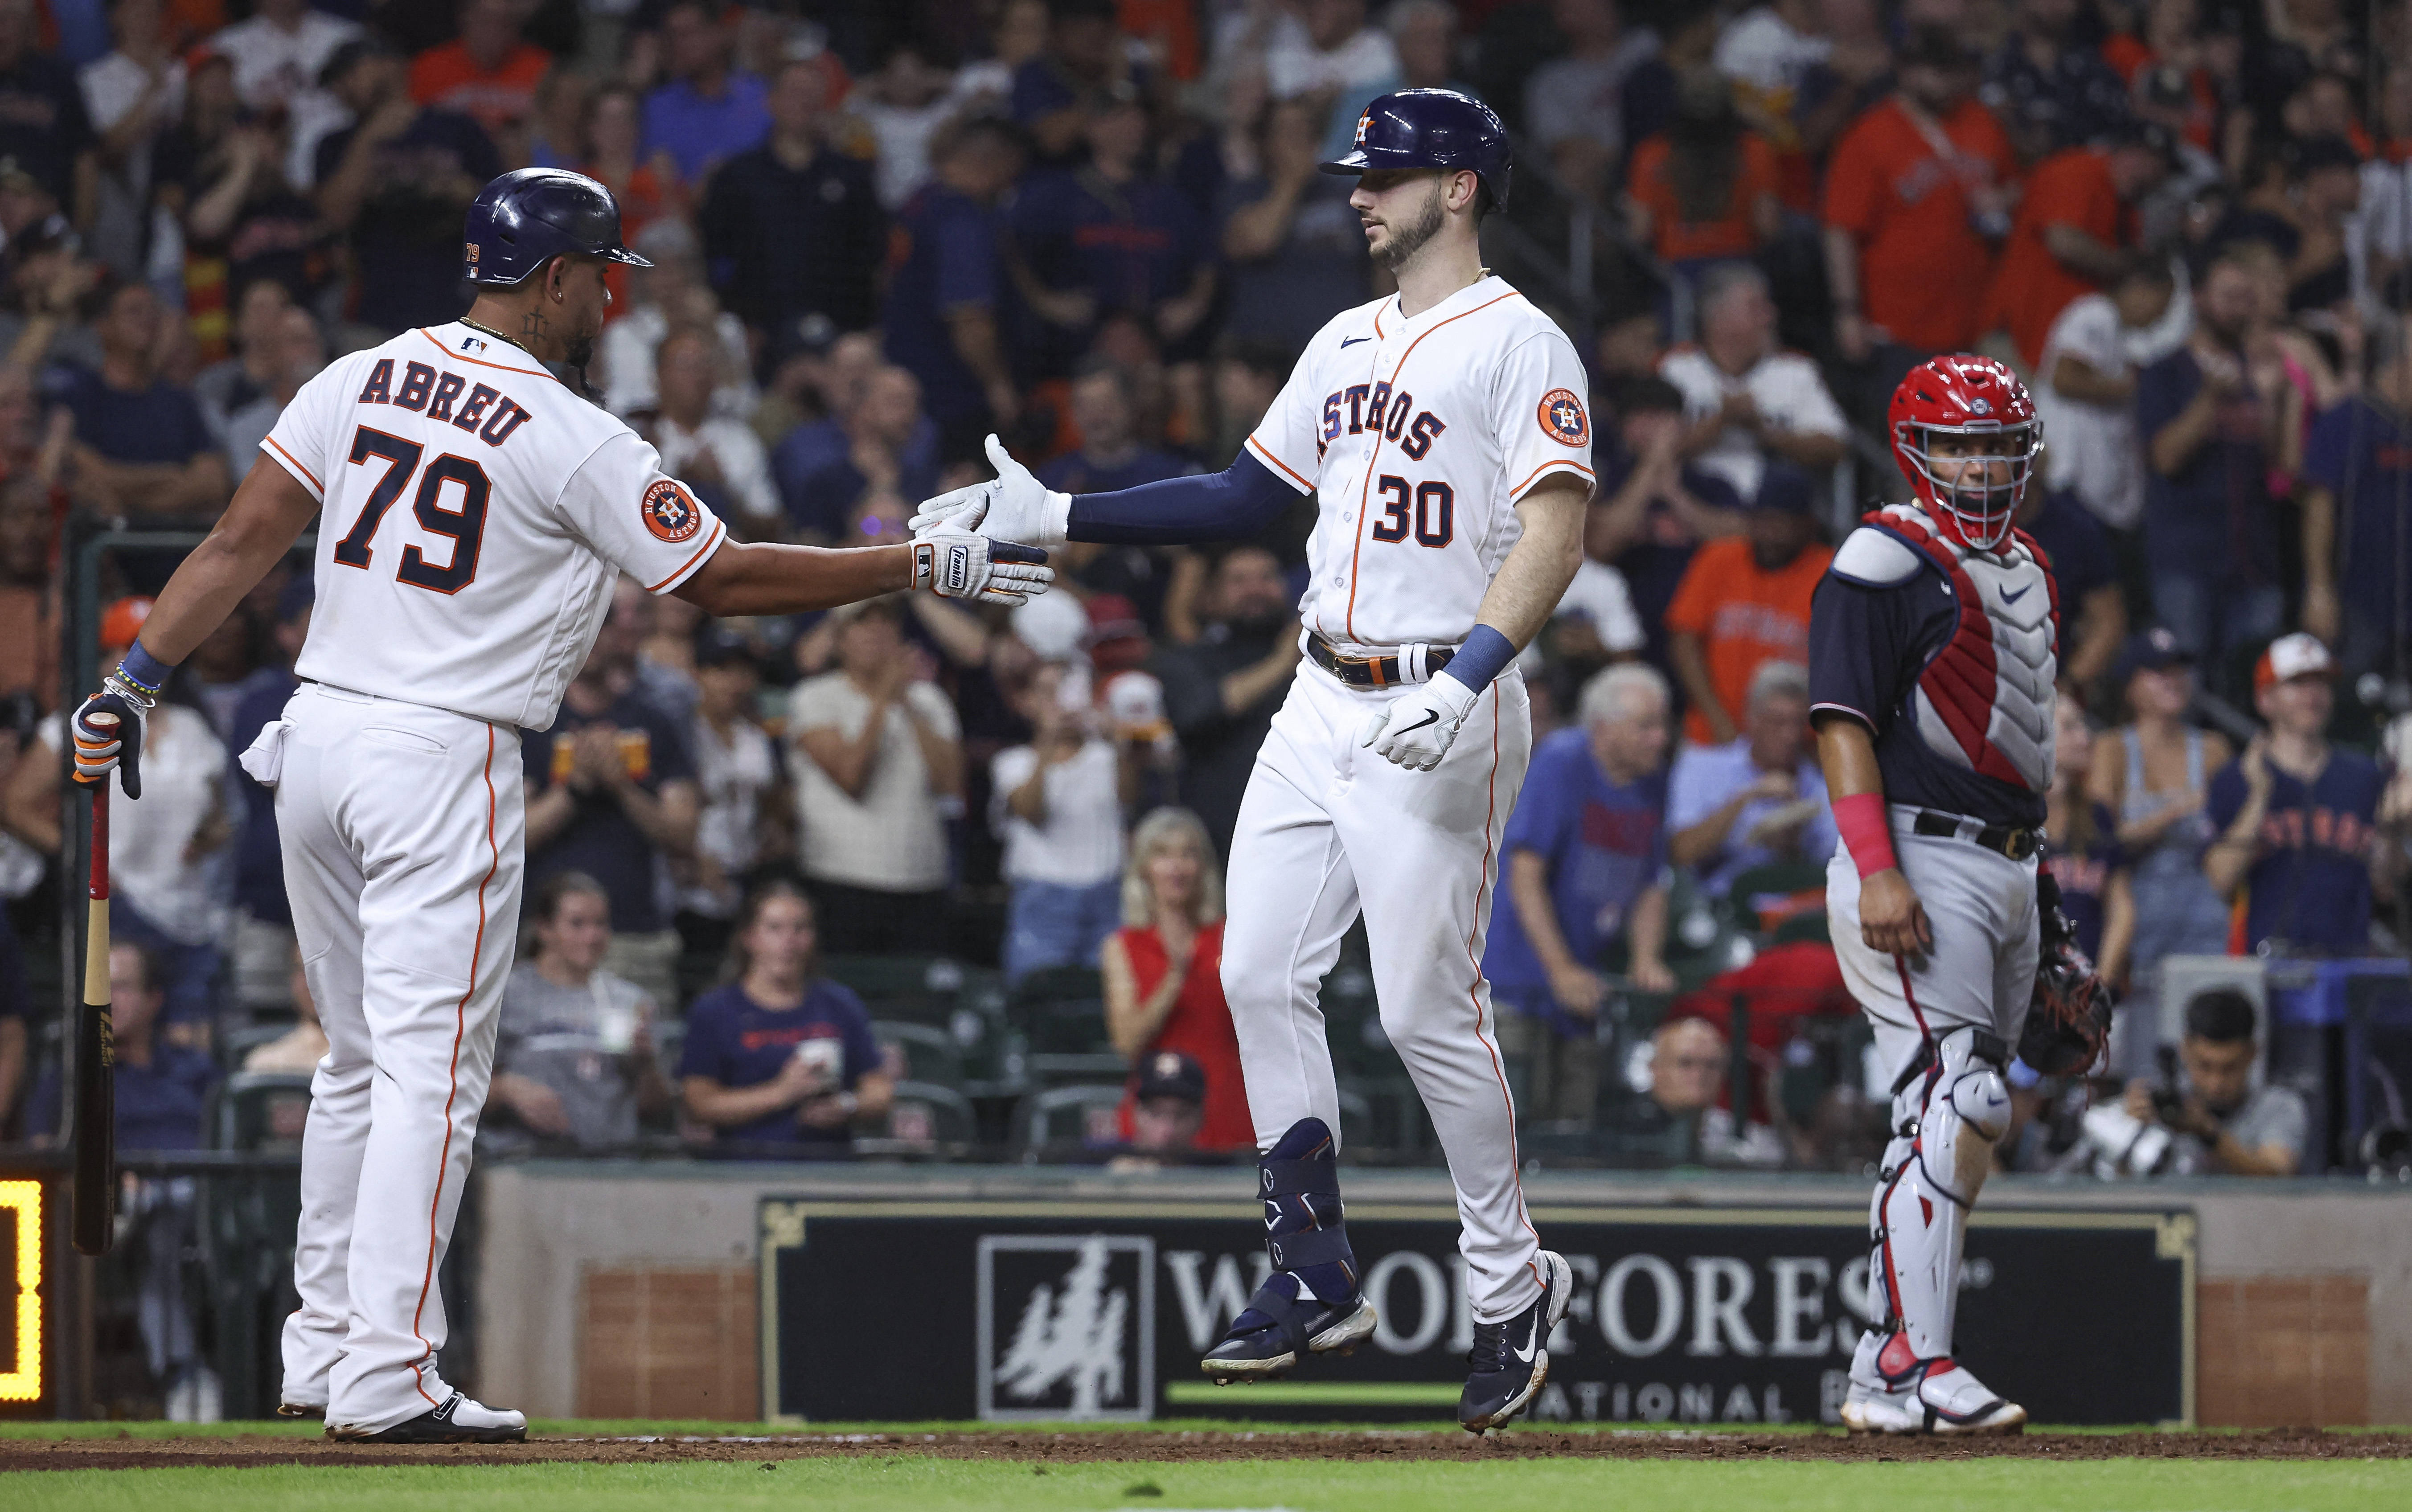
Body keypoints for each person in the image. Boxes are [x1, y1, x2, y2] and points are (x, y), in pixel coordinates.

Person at [62, 168, 1048, 1446]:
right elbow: (726, 580)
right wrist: (919, 560)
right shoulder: (569, 431)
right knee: (432, 1075)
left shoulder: (362, 373)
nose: (609, 303)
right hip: (438, 754)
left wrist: (132, 680)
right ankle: (390, 1373)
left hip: (314, 743)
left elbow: (244, 539)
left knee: (357, 1064)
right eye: (602, 280)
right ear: (556, 279)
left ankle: (322, 1352)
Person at [911, 88, 1592, 1432]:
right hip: (1317, 690)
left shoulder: (1524, 343)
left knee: (1419, 1014)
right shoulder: (1342, 339)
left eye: (1383, 176)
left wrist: (1469, 679)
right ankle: (1314, 1269)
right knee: (1249, 969)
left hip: (1434, 701)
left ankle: (1511, 1285)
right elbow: (1240, 495)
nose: (1356, 194)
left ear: (1458, 188)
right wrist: (1056, 510)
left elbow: (1554, 533)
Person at [1810, 355, 2054, 1434]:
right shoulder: (1883, 552)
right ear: (1917, 448)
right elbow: (1841, 720)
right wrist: (1874, 866)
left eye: (1997, 443)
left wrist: (2059, 912)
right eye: (1960, 443)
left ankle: (1881, 1371)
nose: (1979, 463)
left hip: (2009, 857)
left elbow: (2024, 745)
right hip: (1916, 850)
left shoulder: (2032, 560)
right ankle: (1926, 1354)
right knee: (1964, 1100)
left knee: (1942, 1123)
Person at [23, 942, 220, 1418]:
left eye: (124, 986)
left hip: (209, 1203)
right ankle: (185, 1375)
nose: (111, 999)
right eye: (102, 987)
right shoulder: (73, 1076)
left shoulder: (195, 1071)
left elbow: (229, 1141)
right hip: (121, 1213)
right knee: (160, 1222)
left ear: (154, 999)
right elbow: (42, 1154)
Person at [1485, 664, 1677, 1128]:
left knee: (1576, 1130)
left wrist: (1647, 957)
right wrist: (1561, 970)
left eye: (1663, 725)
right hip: (1520, 982)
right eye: (1646, 727)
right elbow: (1525, 873)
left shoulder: (1652, 781)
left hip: (1586, 987)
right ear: (1603, 729)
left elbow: (1653, 881)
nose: (1661, 739)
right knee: (1513, 1128)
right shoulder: (1561, 763)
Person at [1822, 30, 2018, 415]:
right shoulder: (1870, 134)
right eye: (1933, 70)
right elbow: (1840, 229)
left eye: (1950, 71)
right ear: (1907, 72)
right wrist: (1847, 310)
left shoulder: (1981, 122)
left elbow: (2015, 187)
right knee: (1915, 446)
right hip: (1898, 324)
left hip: (1975, 318)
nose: (1942, 81)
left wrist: (2002, 200)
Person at [2136, 251, 2285, 692]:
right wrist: (2210, 400)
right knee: (2186, 689)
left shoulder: (2259, 371)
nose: (2239, 308)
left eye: (2246, 298)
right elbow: (2165, 458)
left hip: (2255, 561)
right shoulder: (2165, 372)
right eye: (2228, 297)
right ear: (2199, 299)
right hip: (2187, 560)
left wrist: (2276, 400)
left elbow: (2280, 471)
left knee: (2252, 693)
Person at [2205, 634, 2403, 956]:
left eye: (2322, 683)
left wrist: (2390, 826)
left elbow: (2386, 885)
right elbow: (2220, 881)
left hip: (2347, 961)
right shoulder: (2236, 777)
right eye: (2297, 683)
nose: (2313, 694)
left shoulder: (2364, 775)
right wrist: (2259, 796)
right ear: (2265, 699)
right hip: (2262, 962)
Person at [787, 597, 964, 952]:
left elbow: (951, 786)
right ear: (838, 639)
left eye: (886, 621)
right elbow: (852, 777)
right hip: (840, 880)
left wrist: (908, 703)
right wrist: (885, 695)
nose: (876, 631)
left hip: (922, 881)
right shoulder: (814, 698)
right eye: (862, 621)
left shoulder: (929, 701)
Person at [2088, 628, 2232, 1049]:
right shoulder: (2111, 748)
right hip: (2138, 922)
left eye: (2179, 670)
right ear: (2131, 684)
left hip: (2204, 918)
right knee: (2143, 1045)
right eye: (2157, 672)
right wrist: (2177, 810)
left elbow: (2231, 842)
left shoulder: (2213, 748)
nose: (2173, 680)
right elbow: (2102, 839)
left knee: (2208, 1028)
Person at [678, 882, 893, 1158]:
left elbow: (880, 1091)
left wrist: (847, 1105)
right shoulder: (714, 1011)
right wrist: (782, 1092)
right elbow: (699, 1105)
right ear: (749, 937)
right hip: (741, 1168)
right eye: (775, 929)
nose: (789, 942)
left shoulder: (841, 1005)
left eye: (800, 929)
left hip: (827, 1166)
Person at [697, 56, 883, 344]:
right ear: (771, 101)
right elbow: (714, 256)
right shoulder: (737, 176)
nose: (802, 102)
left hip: (841, 335)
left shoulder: (852, 176)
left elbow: (871, 258)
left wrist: (866, 327)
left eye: (811, 94)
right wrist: (736, 322)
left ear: (824, 104)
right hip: (758, 334)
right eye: (793, 92)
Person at [1100, 806, 1251, 1151]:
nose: (1177, 867)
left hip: (1228, 1105)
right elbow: (1126, 1042)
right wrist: (1174, 978)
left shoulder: (1233, 936)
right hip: (1157, 1115)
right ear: (1143, 868)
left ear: (1204, 867)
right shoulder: (1122, 946)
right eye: (1163, 854)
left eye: (1188, 854)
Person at [488, 871, 670, 1152]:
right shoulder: (506, 996)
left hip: (609, 1160)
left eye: (600, 924)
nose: (592, 936)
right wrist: (506, 1090)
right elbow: (460, 1089)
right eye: (577, 924)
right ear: (544, 929)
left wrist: (645, 1063)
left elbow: (654, 1108)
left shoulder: (630, 1001)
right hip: (523, 1159)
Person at [1664, 460, 1833, 746]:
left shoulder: (1830, 572)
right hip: (1712, 736)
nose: (1771, 532)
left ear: (1809, 526)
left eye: (1782, 522)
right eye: (1763, 520)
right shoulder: (1719, 558)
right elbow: (1684, 642)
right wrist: (1717, 719)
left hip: (1796, 746)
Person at [1984, 127, 2173, 372]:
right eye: (2143, 158)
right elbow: (2063, 241)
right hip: (2018, 338)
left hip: (2059, 348)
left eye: (2159, 166)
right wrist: (2122, 265)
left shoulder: (2130, 207)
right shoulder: (2076, 171)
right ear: (2123, 152)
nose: (2150, 172)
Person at [1153, 545, 1300, 859]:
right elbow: (1196, 714)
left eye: (1267, 578)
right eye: (1239, 580)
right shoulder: (1190, 658)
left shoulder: (1318, 660)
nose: (1255, 590)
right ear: (1213, 595)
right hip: (1219, 841)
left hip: (1301, 832)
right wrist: (1282, 663)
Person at [1658, 263, 1848, 502]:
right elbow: (1650, 451)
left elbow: (1835, 446)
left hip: (1773, 508)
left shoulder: (1795, 370)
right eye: (1755, 307)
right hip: (1693, 503)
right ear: (1718, 318)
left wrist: (1764, 432)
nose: (1770, 316)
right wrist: (1721, 421)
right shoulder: (1676, 367)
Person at [2030, 254, 2177, 559]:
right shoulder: (2095, 313)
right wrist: (2134, 387)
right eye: (2163, 300)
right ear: (2140, 288)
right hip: (2070, 478)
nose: (2162, 315)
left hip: (2095, 490)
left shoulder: (2119, 333)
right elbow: (2065, 377)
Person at [994, 660, 1132, 983]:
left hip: (1106, 898)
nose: (1061, 701)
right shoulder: (1013, 762)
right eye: (1048, 692)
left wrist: (1116, 737)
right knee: (1035, 1000)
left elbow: (1129, 796)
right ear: (1027, 702)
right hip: (1043, 901)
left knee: (1102, 1007)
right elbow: (1031, 812)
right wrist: (1047, 739)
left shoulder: (1108, 757)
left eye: (1068, 689)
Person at [62, 279, 230, 521]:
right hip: (112, 553)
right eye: (134, 311)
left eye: (153, 311)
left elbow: (213, 484)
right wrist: (165, 476)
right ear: (104, 327)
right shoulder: (84, 394)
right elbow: (89, 475)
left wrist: (126, 500)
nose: (147, 319)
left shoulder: (180, 400)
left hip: (172, 550)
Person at [1669, 659, 1835, 896]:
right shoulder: (1704, 765)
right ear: (1753, 718)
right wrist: (1747, 797)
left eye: (1797, 723)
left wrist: (1793, 845)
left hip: (1791, 913)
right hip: (1718, 909)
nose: (1790, 736)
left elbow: (1831, 872)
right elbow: (1681, 852)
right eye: (1778, 723)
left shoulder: (1819, 786)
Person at [674, 633, 785, 975]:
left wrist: (771, 830)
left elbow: (771, 800)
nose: (733, 682)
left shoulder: (755, 737)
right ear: (698, 674)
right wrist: (690, 858)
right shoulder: (681, 734)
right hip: (689, 888)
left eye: (742, 671)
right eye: (721, 670)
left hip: (744, 878)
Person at [2120, 987, 2309, 1174]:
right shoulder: (2161, 1103)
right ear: (2185, 1050)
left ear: (2253, 1053)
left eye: (2230, 1068)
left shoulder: (2280, 1107)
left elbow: (2276, 1176)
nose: (2216, 1083)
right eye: (2205, 1066)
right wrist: (2127, 1131)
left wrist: (2208, 1133)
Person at [1616, 1014, 1785, 1166]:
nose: (1700, 1075)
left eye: (1712, 1065)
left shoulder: (1746, 1140)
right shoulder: (1618, 1129)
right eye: (1686, 1063)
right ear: (1655, 1068)